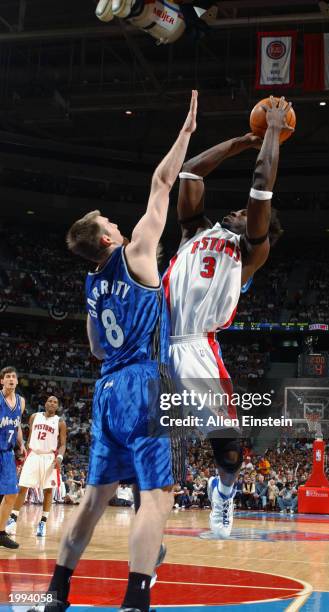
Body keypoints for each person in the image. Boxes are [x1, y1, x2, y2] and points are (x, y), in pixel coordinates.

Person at [30, 91, 198, 612]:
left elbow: (97, 346)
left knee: (95, 497)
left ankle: (57, 591)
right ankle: (136, 599)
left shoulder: (91, 285)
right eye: (110, 224)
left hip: (107, 390)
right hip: (146, 382)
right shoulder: (136, 252)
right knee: (157, 496)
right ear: (105, 240)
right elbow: (162, 183)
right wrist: (186, 132)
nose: (118, 225)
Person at [163, 96, 291, 537]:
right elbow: (192, 171)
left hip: (197, 345)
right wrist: (240, 140)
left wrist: (273, 131)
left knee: (229, 444)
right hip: (156, 338)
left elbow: (261, 186)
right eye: (236, 210)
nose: (235, 211)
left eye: (243, 213)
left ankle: (224, 494)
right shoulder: (194, 230)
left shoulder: (252, 249)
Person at [6, 395, 67, 538]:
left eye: (55, 402)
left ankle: (43, 523)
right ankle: (13, 520)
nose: (52, 403)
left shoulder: (60, 422)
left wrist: (59, 457)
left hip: (49, 457)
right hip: (33, 455)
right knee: (22, 488)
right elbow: (31, 436)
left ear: (57, 407)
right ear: (45, 404)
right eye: (50, 401)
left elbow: (63, 444)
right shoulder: (34, 417)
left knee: (47, 491)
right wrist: (25, 451)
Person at [0, 366, 27, 549]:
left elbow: (17, 425)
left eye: (13, 377)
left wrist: (22, 443)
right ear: (1, 381)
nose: (11, 379)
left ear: (17, 381)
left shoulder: (21, 402)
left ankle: (1, 533)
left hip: (7, 452)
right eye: (7, 376)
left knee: (11, 494)